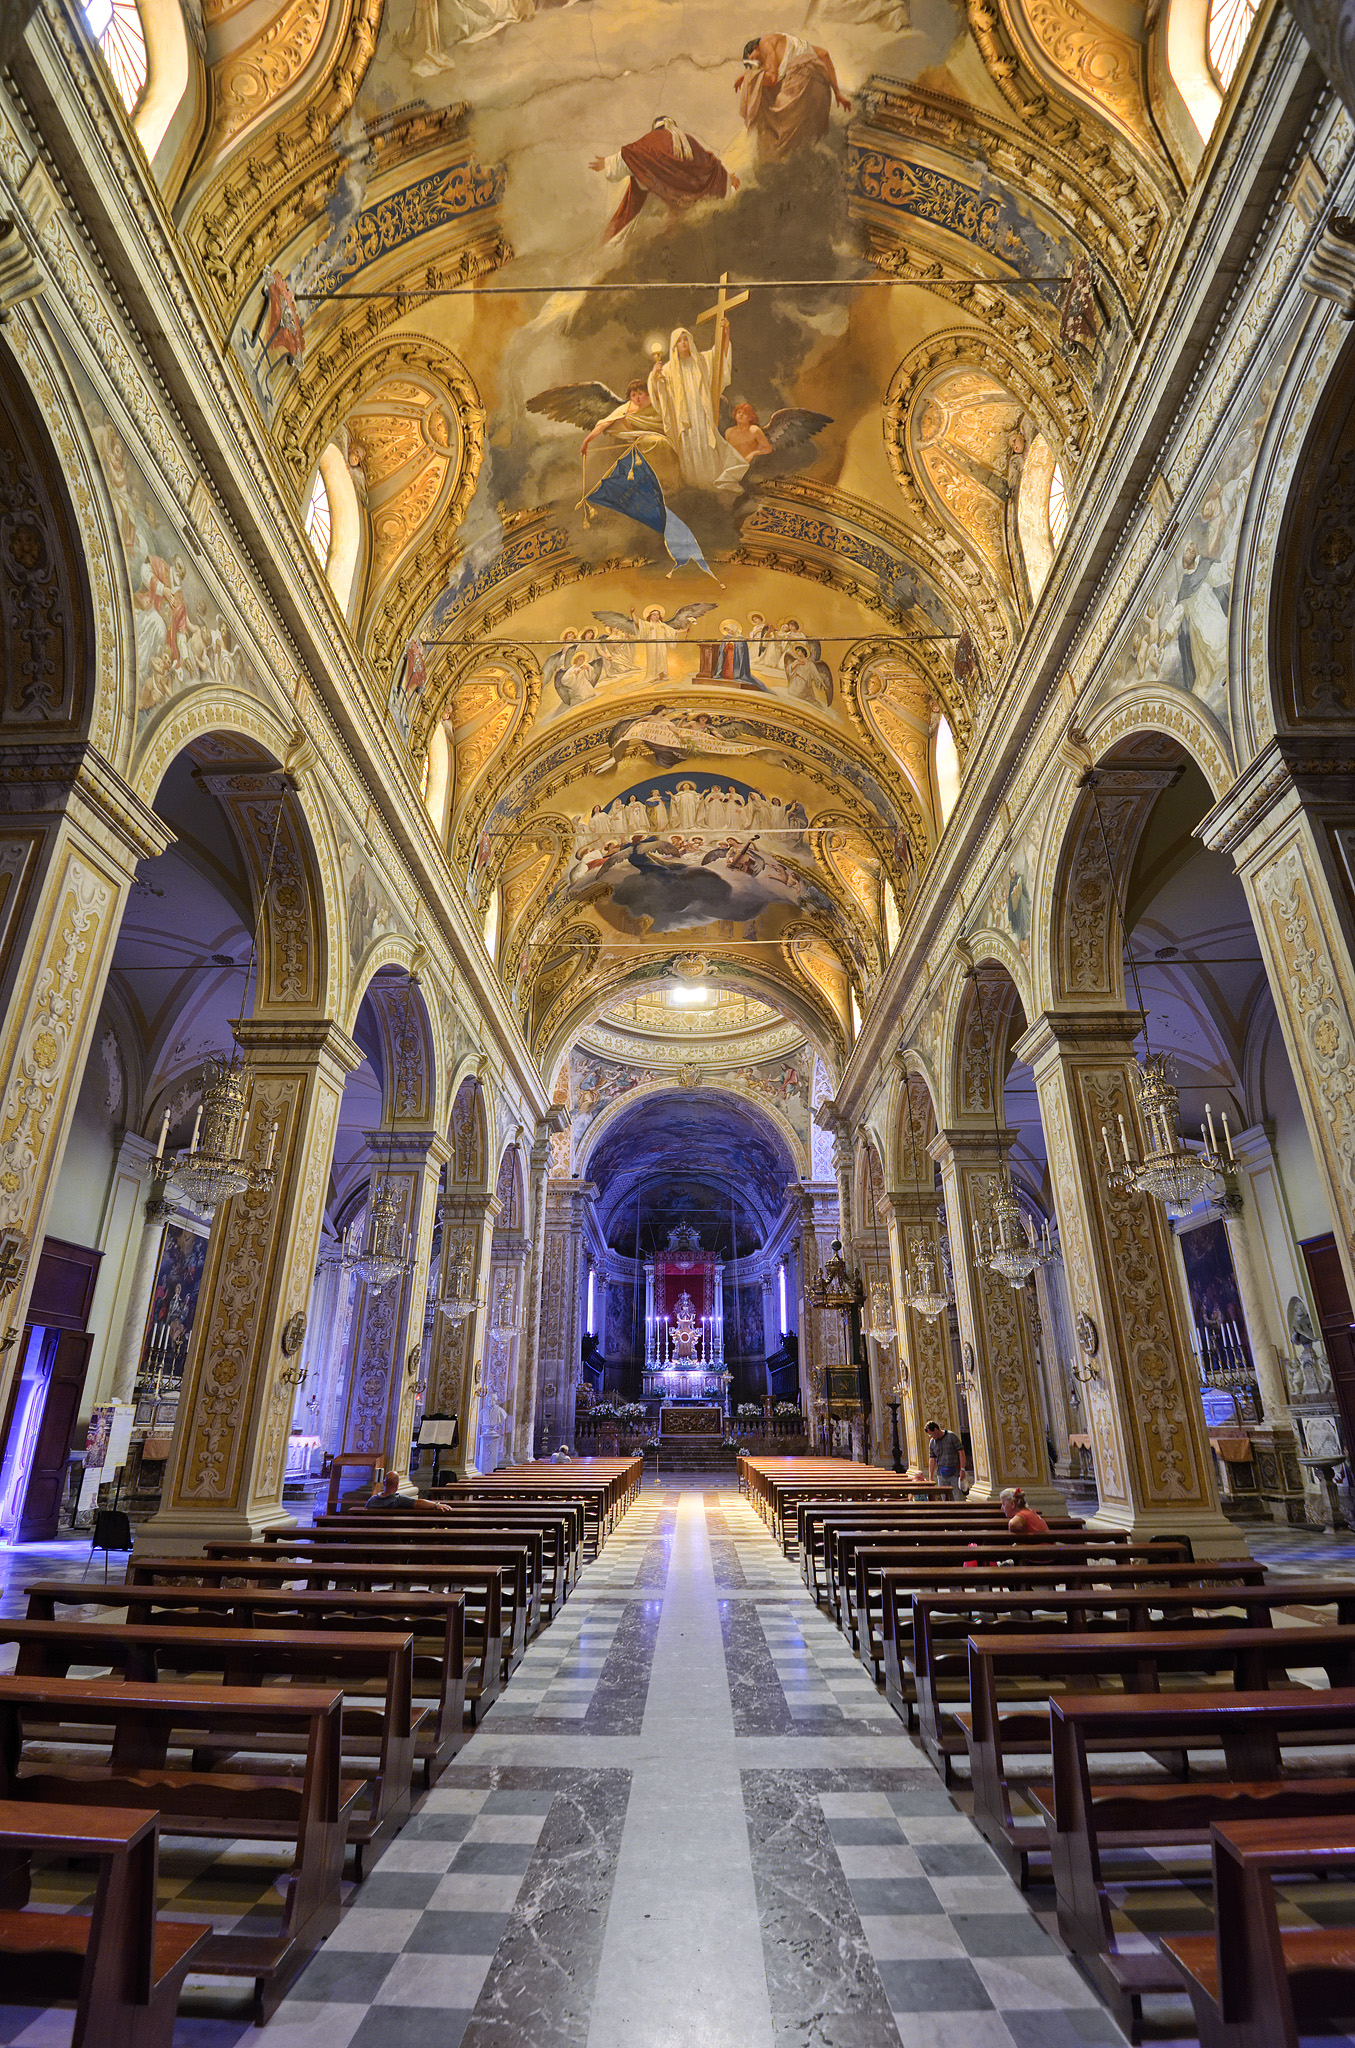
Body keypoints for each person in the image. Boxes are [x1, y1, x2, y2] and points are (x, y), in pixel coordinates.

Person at [363, 1470, 452, 1514]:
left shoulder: (372, 1500)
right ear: (397, 1485)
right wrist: (436, 1505)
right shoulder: (398, 1500)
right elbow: (418, 1503)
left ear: (384, 1483)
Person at [925, 1418, 964, 1497]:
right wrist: (931, 1476)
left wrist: (962, 1469)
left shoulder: (951, 1436)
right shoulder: (932, 1442)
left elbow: (961, 1452)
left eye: (931, 1434)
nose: (931, 1436)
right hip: (941, 1473)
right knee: (944, 1497)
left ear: (936, 1429)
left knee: (957, 1496)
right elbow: (932, 1459)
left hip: (954, 1472)